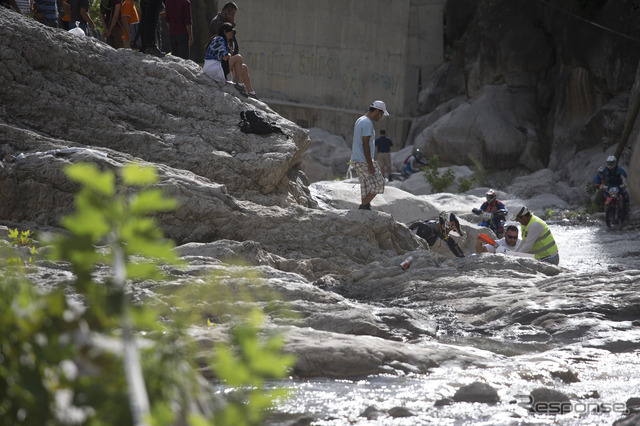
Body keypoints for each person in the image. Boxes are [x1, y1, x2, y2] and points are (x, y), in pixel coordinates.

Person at [349, 100, 389, 210]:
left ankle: (365, 206)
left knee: (365, 185)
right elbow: (365, 143)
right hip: (363, 160)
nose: (380, 117)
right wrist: (370, 164)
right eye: (381, 114)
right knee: (380, 183)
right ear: (377, 111)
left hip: (356, 159)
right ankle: (363, 205)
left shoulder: (360, 119)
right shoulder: (367, 123)